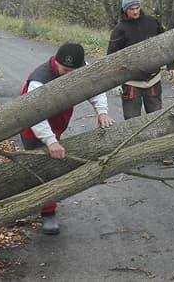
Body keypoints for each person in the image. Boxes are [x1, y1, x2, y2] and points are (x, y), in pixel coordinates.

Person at [21, 42, 114, 235]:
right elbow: (35, 115)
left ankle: (38, 202)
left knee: (52, 164)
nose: (70, 74)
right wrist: (50, 141)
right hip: (33, 126)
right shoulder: (39, 80)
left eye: (74, 70)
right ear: (56, 62)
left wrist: (102, 112)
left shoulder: (81, 68)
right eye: (65, 70)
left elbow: (95, 87)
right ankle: (47, 213)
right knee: (45, 168)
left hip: (57, 122)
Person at [107, 0, 174, 120]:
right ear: (125, 10)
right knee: (132, 122)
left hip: (153, 79)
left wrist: (171, 65)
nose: (135, 11)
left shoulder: (152, 23)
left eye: (137, 7)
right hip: (131, 83)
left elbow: (165, 45)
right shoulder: (119, 30)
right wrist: (114, 83)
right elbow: (111, 58)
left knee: (157, 119)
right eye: (131, 9)